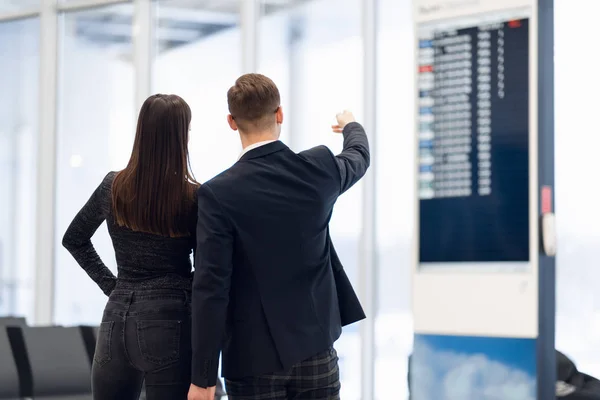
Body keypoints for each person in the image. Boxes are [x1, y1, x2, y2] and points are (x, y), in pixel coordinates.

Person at [188, 73, 370, 400]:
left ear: (232, 122)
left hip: (252, 360)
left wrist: (203, 378)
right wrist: (351, 125)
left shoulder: (218, 194)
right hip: (316, 351)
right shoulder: (317, 169)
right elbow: (358, 156)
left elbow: (211, 287)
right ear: (280, 113)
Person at [63, 94, 199, 399]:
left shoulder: (114, 186)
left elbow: (74, 239)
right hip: (171, 318)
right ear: (180, 136)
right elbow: (206, 269)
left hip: (115, 319)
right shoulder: (193, 196)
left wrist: (112, 286)